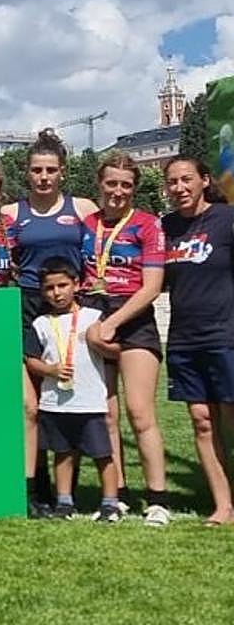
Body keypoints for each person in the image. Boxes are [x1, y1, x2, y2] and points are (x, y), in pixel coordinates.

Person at [1, 128, 98, 514]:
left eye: (51, 170)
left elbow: (108, 238)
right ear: (27, 172)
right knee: (31, 405)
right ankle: (34, 487)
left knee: (67, 399)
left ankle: (66, 491)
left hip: (68, 309)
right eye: (37, 170)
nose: (44, 177)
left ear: (62, 172)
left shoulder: (83, 209)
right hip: (26, 307)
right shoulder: (11, 213)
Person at [82, 153, 169, 526]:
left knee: (139, 412)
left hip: (132, 318)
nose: (118, 191)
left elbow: (152, 286)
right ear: (100, 184)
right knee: (106, 415)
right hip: (94, 313)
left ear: (133, 188)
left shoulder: (148, 225)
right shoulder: (86, 224)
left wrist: (113, 323)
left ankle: (158, 499)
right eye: (111, 183)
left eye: (126, 185)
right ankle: (115, 496)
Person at [161, 156, 234, 526]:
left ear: (204, 180)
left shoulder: (225, 219)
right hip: (184, 341)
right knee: (202, 421)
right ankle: (223, 506)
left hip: (226, 336)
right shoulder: (167, 226)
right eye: (172, 182)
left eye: (186, 179)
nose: (179, 188)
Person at [23, 257, 121, 521]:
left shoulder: (94, 317)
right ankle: (64, 502)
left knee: (103, 455)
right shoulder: (41, 323)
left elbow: (116, 350)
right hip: (55, 402)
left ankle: (110, 503)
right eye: (49, 288)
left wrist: (102, 344)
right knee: (62, 454)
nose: (56, 293)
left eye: (62, 285)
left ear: (76, 284)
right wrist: (50, 371)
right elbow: (31, 360)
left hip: (90, 402)